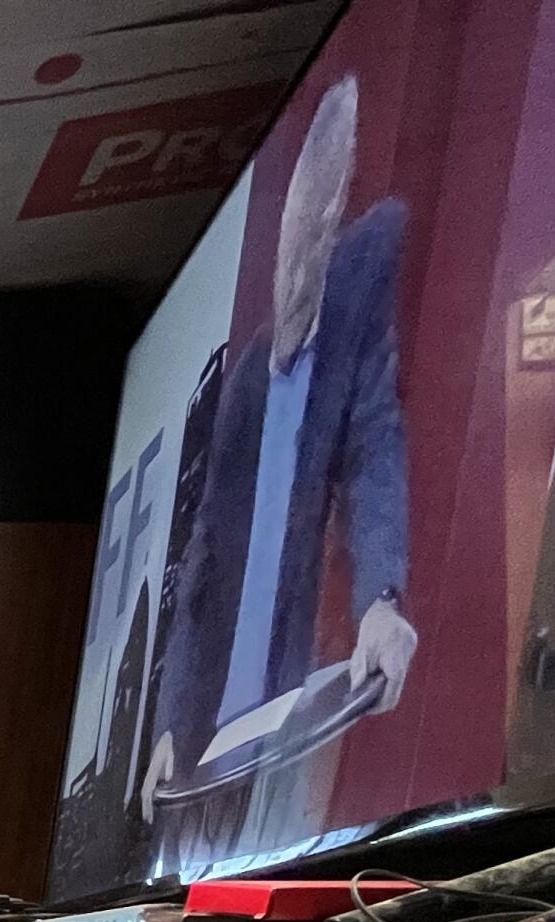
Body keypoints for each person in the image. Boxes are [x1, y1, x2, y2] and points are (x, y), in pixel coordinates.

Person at [142, 76, 417, 864]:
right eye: (296, 220)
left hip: (285, 739)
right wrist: (168, 724)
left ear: (334, 229)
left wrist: (380, 601)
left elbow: (374, 454)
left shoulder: (353, 347)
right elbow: (203, 565)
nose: (301, 250)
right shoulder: (248, 383)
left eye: (321, 222)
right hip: (207, 750)